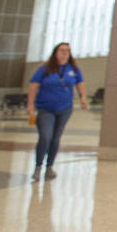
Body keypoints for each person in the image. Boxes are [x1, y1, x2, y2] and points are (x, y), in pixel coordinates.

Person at [27, 42, 87, 182]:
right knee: (45, 137)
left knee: (55, 138)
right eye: (61, 50)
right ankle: (38, 166)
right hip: (45, 108)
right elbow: (33, 86)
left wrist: (83, 97)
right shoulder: (44, 69)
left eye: (67, 50)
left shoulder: (73, 69)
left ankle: (49, 167)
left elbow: (80, 83)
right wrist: (30, 104)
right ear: (55, 52)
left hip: (65, 108)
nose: (65, 53)